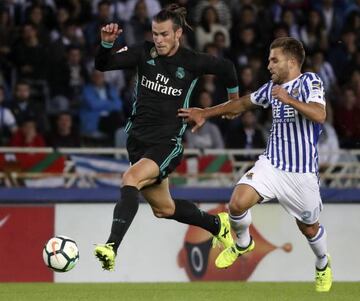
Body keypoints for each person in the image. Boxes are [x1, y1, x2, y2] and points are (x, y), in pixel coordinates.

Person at [179, 37, 332, 292]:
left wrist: (288, 99)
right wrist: (204, 113)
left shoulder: (309, 81)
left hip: (302, 174)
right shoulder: (272, 88)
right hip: (272, 165)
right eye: (269, 59)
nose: (269, 65)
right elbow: (241, 104)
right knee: (237, 203)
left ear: (292, 61)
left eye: (274, 60)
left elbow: (320, 114)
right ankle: (242, 243)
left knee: (309, 227)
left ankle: (322, 262)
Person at [93, 4, 239, 271]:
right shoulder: (142, 52)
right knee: (164, 209)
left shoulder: (192, 61)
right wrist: (105, 43)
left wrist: (232, 104)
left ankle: (111, 247)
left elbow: (228, 67)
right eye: (155, 34)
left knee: (130, 179)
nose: (158, 40)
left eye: (163, 34)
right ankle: (218, 224)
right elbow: (103, 65)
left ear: (177, 33)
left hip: (166, 144)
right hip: (137, 142)